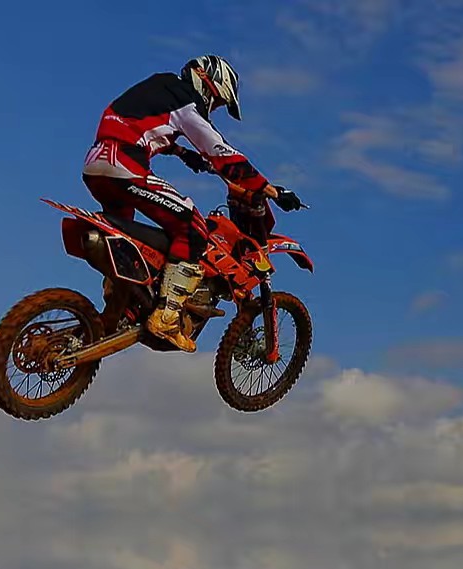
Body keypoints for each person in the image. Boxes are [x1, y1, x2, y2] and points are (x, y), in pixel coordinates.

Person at [82, 54, 303, 353]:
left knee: (126, 241)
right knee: (194, 227)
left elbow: (138, 120)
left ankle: (118, 304)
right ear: (208, 82)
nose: (214, 108)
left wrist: (182, 153)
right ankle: (167, 316)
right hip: (124, 165)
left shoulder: (162, 86)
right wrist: (270, 189)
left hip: (96, 165)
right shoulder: (187, 103)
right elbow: (220, 151)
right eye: (218, 102)